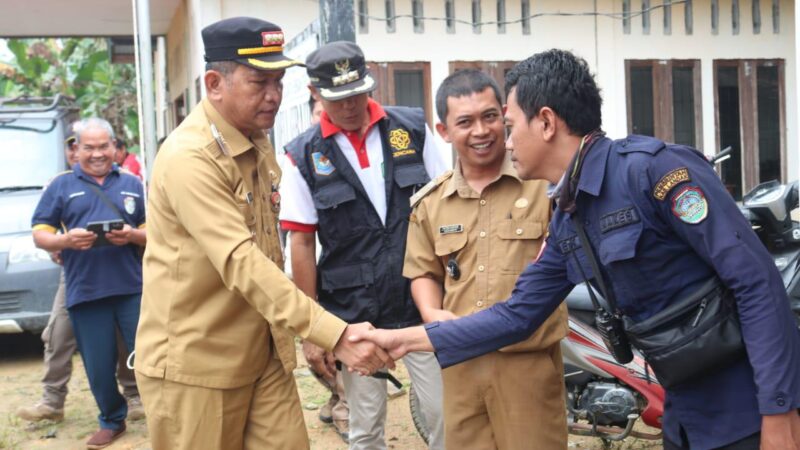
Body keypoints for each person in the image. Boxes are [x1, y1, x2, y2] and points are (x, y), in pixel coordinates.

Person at [353, 49, 800, 450]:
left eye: (508, 126)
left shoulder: (652, 173)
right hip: (685, 409)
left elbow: (755, 281)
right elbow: (516, 315)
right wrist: (402, 340)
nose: (504, 142)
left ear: (546, 122)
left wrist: (779, 411)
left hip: (746, 410)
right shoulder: (569, 216)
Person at [134, 17, 391, 450]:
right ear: (215, 83)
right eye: (259, 83)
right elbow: (243, 262)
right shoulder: (189, 157)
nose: (274, 95)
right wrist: (335, 333)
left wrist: (311, 331)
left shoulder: (255, 140)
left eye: (279, 81)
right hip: (197, 364)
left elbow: (274, 248)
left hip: (261, 351)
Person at [280, 40, 447, 450]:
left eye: (357, 92)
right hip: (354, 312)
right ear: (315, 94)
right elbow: (301, 244)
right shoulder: (302, 156)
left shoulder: (412, 128)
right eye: (338, 97)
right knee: (365, 425)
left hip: (421, 299)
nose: (351, 105)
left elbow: (444, 206)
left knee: (446, 414)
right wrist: (313, 330)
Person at [403, 69, 569, 449]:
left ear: (506, 115)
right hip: (460, 365)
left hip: (526, 364)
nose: (481, 131)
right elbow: (422, 271)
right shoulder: (430, 203)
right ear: (444, 131)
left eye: (490, 116)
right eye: (465, 122)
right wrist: (431, 314)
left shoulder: (545, 188)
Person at [31, 118, 147, 449]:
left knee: (148, 355)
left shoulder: (132, 183)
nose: (97, 154)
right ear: (76, 149)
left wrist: (132, 235)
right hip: (85, 290)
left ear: (114, 147)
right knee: (97, 367)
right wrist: (64, 242)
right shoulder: (60, 186)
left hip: (130, 288)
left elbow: (153, 232)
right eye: (89, 147)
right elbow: (41, 234)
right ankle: (112, 419)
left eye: (103, 146)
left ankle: (163, 411)